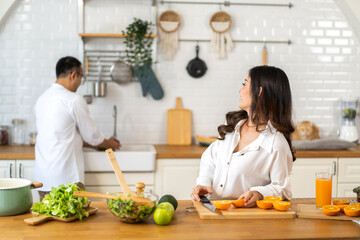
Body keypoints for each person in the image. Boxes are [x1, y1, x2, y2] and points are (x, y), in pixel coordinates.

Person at [191, 65, 296, 207]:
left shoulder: (275, 143)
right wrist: (203, 183)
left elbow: (282, 189)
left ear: (259, 91)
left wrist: (260, 193)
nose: (240, 90)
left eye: (244, 84)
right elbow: (210, 158)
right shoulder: (232, 127)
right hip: (214, 210)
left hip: (247, 219)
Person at [34, 56, 121, 201]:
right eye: (81, 77)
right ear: (73, 75)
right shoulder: (73, 100)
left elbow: (62, 135)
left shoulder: (42, 100)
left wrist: (90, 145)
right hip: (66, 182)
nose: (81, 82)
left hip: (42, 180)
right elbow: (93, 136)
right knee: (75, 223)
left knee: (50, 221)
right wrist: (111, 144)